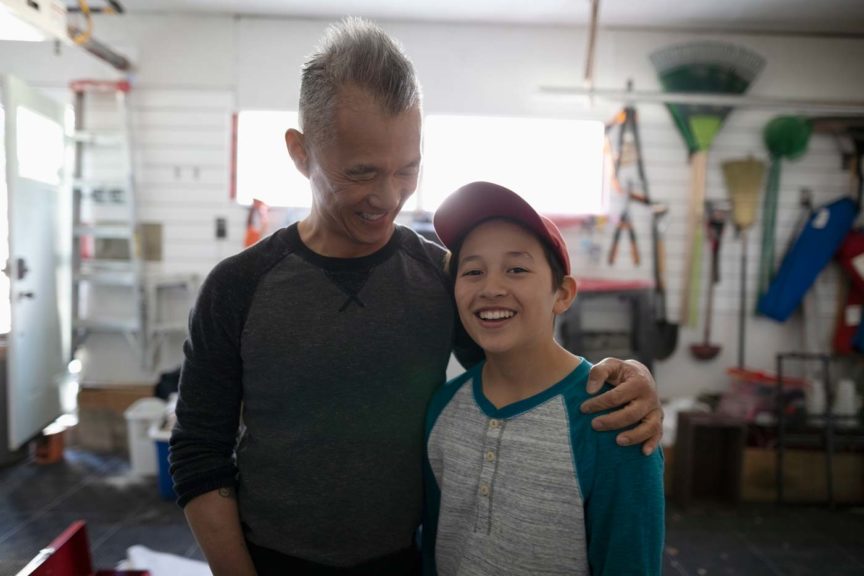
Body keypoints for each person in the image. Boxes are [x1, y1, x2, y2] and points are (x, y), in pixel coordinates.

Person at [169, 17, 663, 576]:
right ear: (301, 153)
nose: (388, 197)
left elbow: (529, 375)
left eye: (407, 170)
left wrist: (624, 379)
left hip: (408, 561)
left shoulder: (442, 276)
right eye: (362, 173)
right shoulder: (237, 287)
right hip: (269, 560)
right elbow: (198, 453)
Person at [423, 181, 665, 575]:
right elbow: (433, 548)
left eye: (517, 269)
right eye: (473, 271)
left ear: (563, 293)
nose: (491, 288)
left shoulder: (613, 419)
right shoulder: (443, 408)